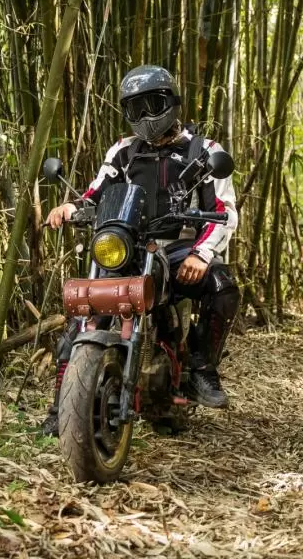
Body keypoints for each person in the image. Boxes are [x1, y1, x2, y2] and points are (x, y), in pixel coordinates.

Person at [41, 65, 240, 436]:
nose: (146, 116)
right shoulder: (123, 151)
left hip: (180, 248)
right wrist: (72, 206)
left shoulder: (205, 152)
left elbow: (223, 212)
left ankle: (201, 369)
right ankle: (60, 409)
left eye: (154, 104)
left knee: (222, 286)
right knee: (85, 313)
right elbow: (96, 190)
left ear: (172, 102)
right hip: (128, 245)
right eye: (136, 108)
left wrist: (202, 253)